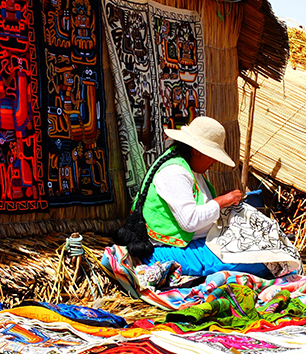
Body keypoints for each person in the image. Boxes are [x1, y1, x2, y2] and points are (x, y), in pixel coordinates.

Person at [116, 116, 272, 278]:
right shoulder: (175, 172)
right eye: (212, 156)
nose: (213, 162)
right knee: (257, 262)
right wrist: (221, 202)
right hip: (165, 251)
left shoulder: (191, 169)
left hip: (194, 243)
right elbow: (189, 221)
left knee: (261, 251)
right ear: (197, 151)